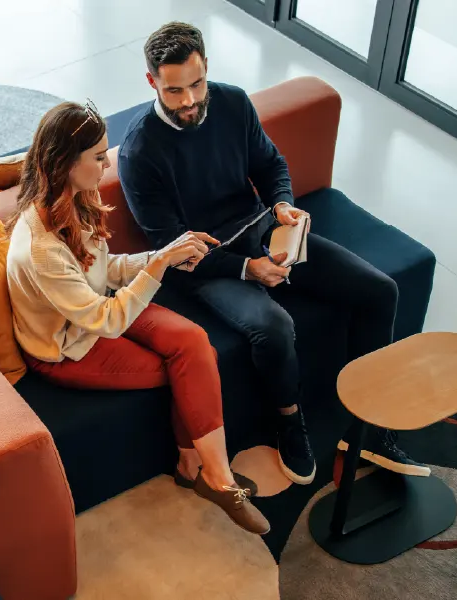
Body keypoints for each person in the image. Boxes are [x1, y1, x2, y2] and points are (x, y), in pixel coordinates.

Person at [117, 22, 430, 485]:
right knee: (273, 327)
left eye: (196, 84)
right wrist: (247, 269)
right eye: (174, 90)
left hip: (262, 231)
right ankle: (288, 421)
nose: (189, 101)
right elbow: (173, 246)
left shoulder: (232, 102)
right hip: (203, 264)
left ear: (207, 69)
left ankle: (369, 425)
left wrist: (282, 202)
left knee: (380, 290)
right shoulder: (140, 151)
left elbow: (269, 163)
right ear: (152, 83)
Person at [5, 100, 270, 535]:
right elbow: (105, 321)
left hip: (99, 306)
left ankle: (200, 470)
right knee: (182, 368)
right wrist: (158, 268)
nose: (106, 164)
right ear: (67, 163)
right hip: (66, 348)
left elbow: (104, 270)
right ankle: (211, 477)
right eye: (96, 157)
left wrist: (162, 254)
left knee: (194, 342)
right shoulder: (41, 248)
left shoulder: (76, 198)